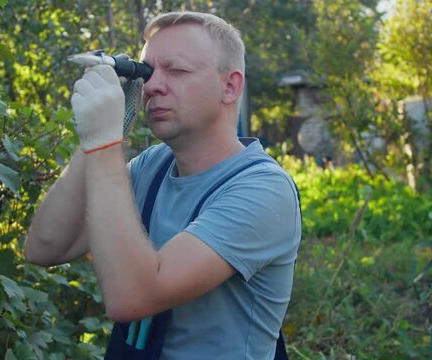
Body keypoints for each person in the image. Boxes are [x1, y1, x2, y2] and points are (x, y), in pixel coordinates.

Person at [24, 11, 301, 359]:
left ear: (230, 86)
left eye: (178, 71)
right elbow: (45, 248)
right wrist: (99, 136)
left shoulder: (263, 190)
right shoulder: (153, 167)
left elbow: (132, 298)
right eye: (148, 71)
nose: (153, 86)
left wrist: (105, 146)